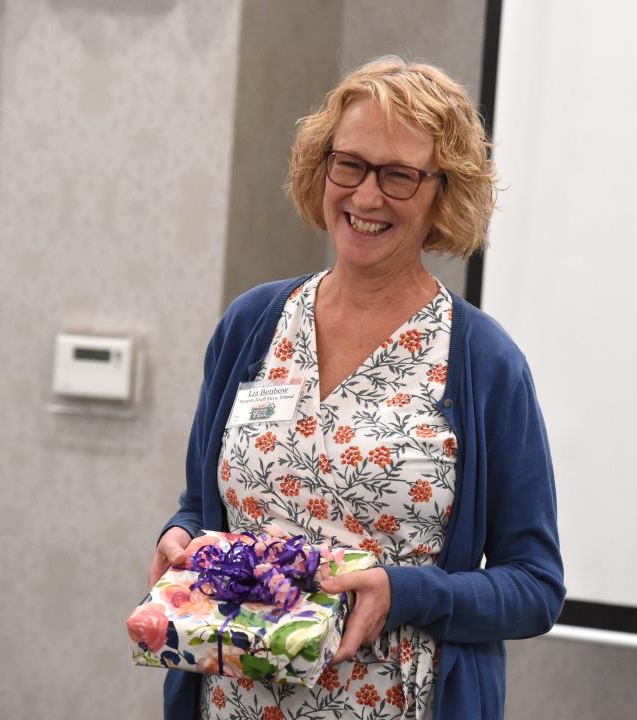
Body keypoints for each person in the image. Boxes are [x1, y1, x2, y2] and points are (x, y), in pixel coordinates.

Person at [147, 56, 565, 720]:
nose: (367, 197)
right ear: (323, 168)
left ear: (443, 193)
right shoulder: (252, 325)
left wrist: (405, 593)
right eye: (351, 164)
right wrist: (180, 537)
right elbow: (202, 508)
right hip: (232, 704)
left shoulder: (484, 362)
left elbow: (536, 587)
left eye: (399, 176)